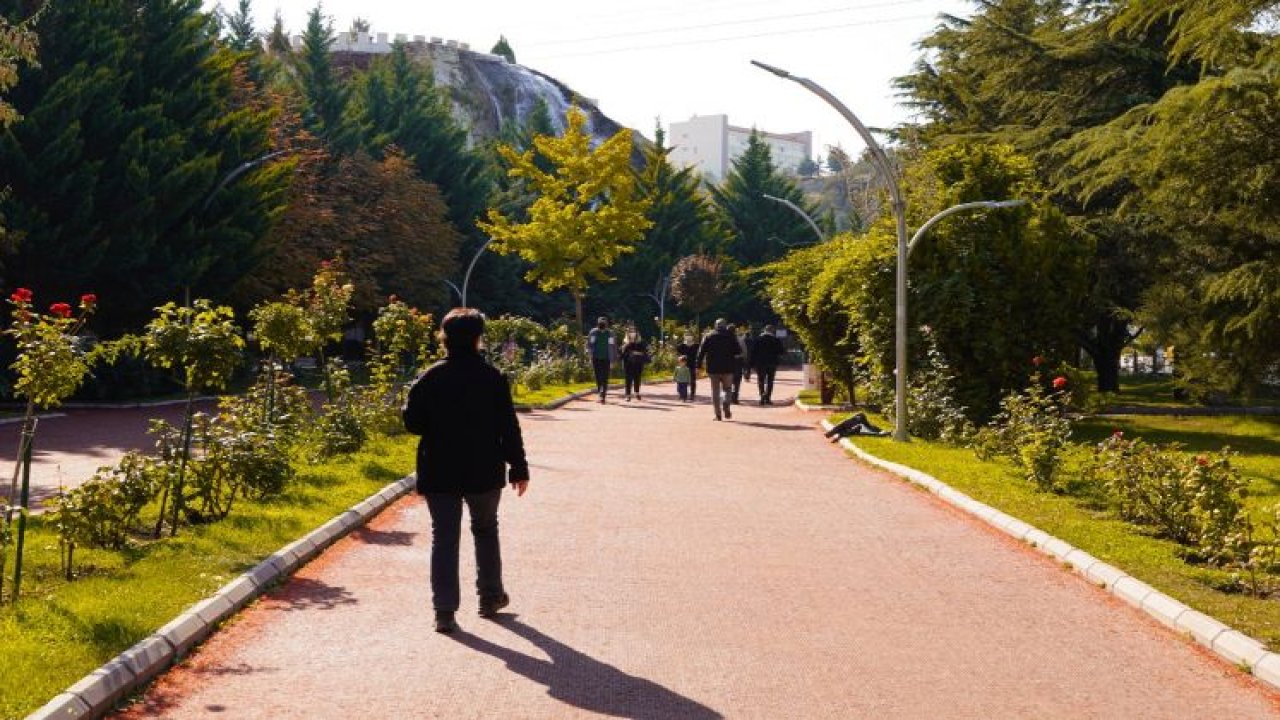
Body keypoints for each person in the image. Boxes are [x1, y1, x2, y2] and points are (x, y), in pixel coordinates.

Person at [402, 308, 530, 634]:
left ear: (443, 338)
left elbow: (413, 424)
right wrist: (518, 466)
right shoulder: (493, 377)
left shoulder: (430, 377)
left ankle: (444, 611)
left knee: (444, 537)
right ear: (478, 338)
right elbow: (508, 426)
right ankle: (490, 597)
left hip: (439, 468)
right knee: (485, 529)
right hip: (483, 468)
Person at [696, 318, 742, 421]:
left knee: (715, 391)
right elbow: (738, 351)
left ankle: (718, 414)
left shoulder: (708, 336)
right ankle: (726, 402)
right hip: (728, 368)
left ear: (715, 325)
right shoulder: (731, 336)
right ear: (725, 326)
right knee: (728, 389)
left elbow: (701, 352)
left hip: (713, 368)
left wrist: (698, 366)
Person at [586, 316, 617, 403]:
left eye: (604, 323)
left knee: (605, 377)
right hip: (596, 358)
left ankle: (603, 394)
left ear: (606, 324)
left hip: (607, 358)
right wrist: (589, 355)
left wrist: (613, 360)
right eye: (601, 323)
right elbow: (589, 344)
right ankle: (600, 391)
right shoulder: (593, 332)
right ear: (598, 324)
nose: (602, 325)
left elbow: (614, 347)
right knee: (598, 376)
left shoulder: (610, 333)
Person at [752, 324, 785, 405]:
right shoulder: (775, 339)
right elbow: (781, 351)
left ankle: (762, 396)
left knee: (761, 380)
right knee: (770, 381)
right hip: (772, 363)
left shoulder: (758, 339)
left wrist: (751, 364)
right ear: (772, 330)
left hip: (760, 363)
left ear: (764, 330)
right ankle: (768, 397)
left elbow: (753, 352)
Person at [620, 328, 650, 401]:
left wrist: (637, 353)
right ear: (628, 333)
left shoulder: (641, 342)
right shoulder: (625, 342)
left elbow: (645, 351)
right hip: (628, 363)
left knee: (637, 378)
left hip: (638, 363)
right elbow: (621, 353)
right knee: (628, 379)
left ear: (636, 333)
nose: (632, 333)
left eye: (633, 332)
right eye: (630, 332)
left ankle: (637, 393)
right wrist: (626, 348)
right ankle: (628, 395)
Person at [729, 324, 750, 404]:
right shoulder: (739, 339)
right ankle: (735, 396)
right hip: (737, 361)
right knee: (737, 380)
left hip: (728, 361)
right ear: (735, 331)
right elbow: (744, 351)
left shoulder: (725, 339)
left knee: (727, 379)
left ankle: (728, 396)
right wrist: (744, 360)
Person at [675, 333, 699, 399]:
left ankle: (692, 394)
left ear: (692, 337)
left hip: (692, 365)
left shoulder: (696, 345)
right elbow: (677, 350)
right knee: (681, 380)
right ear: (684, 337)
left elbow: (700, 354)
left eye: (690, 336)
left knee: (692, 380)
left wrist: (698, 365)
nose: (688, 338)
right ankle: (681, 394)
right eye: (687, 336)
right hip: (683, 365)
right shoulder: (682, 346)